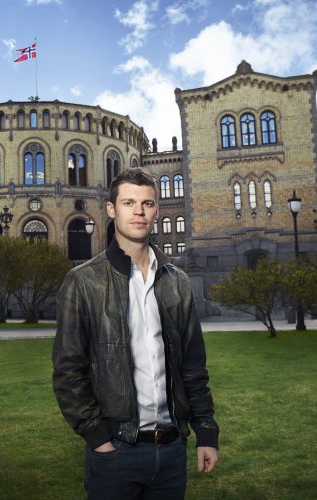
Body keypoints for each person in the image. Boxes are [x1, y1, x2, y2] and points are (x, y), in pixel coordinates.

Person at [52, 167, 219, 499]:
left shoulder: (177, 282)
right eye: (129, 203)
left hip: (171, 450)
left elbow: (193, 367)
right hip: (115, 451)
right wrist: (97, 438)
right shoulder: (83, 282)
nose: (139, 212)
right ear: (112, 210)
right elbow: (68, 371)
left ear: (156, 210)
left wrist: (206, 432)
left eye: (147, 203)